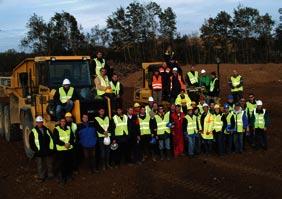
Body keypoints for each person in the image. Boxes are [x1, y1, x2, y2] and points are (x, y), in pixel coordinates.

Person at [29, 116, 55, 182]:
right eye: (38, 122)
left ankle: (50, 175)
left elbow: (51, 139)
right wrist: (36, 150)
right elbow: (31, 142)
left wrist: (51, 149)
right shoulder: (33, 131)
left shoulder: (47, 130)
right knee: (40, 165)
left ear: (42, 123)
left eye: (40, 122)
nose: (39, 124)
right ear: (36, 123)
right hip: (39, 152)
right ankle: (41, 177)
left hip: (47, 151)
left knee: (49, 163)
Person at [53, 118, 75, 184]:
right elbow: (56, 140)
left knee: (69, 163)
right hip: (61, 150)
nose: (63, 122)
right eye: (61, 121)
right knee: (62, 165)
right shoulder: (56, 129)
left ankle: (68, 176)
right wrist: (64, 144)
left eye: (64, 121)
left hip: (69, 149)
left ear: (65, 122)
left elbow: (72, 137)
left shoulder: (68, 128)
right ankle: (62, 178)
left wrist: (69, 143)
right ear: (60, 122)